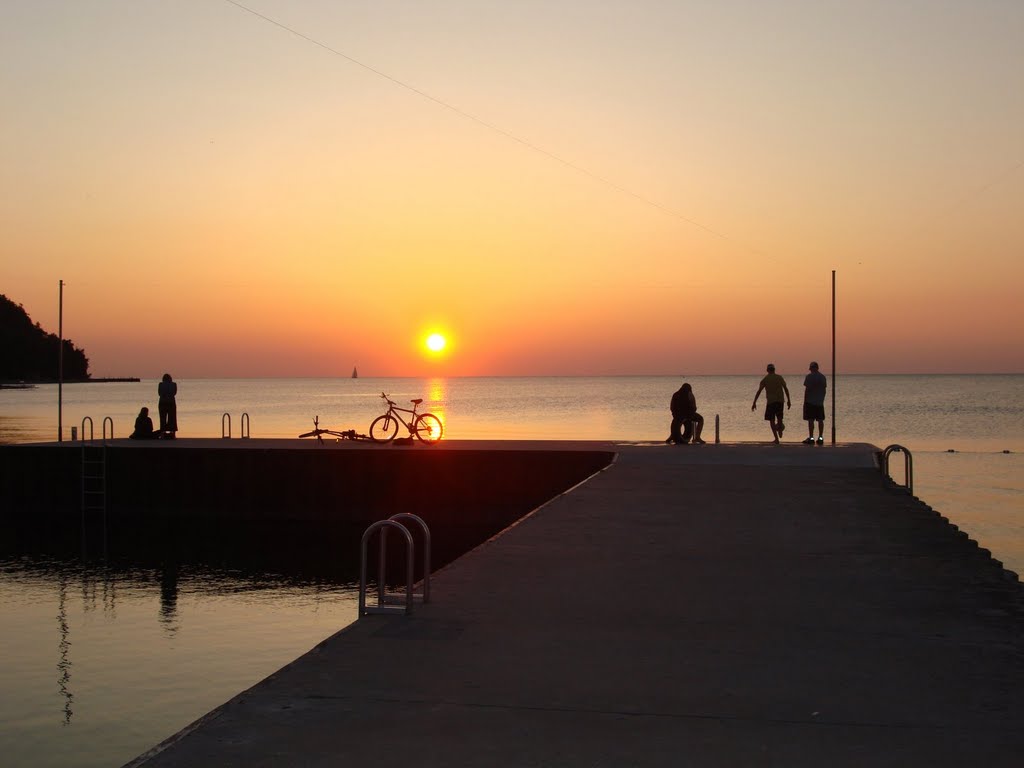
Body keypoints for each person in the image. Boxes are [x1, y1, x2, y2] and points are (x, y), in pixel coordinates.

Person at [751, 363, 791, 444]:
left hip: (771, 402)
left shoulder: (765, 379)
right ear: (774, 370)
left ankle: (776, 438)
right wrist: (789, 400)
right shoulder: (779, 377)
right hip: (780, 401)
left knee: (772, 420)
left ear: (767, 370)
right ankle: (780, 429)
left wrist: (754, 402)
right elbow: (786, 389)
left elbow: (759, 391)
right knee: (779, 418)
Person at [802, 361, 827, 444]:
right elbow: (824, 390)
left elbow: (807, 390)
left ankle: (811, 437)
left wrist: (805, 401)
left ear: (812, 368)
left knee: (811, 420)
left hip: (810, 402)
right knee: (820, 420)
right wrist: (822, 399)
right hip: (820, 402)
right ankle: (820, 437)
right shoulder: (823, 377)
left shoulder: (809, 377)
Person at [158, 373, 178, 439]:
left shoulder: (160, 384)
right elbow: (174, 393)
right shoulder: (174, 384)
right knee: (172, 418)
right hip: (171, 402)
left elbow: (159, 393)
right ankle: (173, 433)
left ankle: (162, 433)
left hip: (162, 402)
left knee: (162, 418)